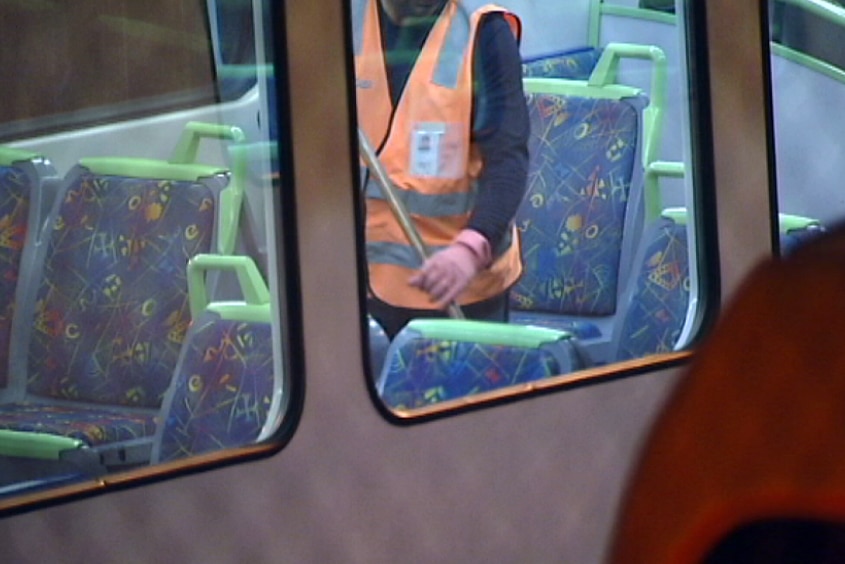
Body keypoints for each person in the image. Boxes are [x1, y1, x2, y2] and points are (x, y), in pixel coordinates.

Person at [353, 0, 529, 338]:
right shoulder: (341, 22)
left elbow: (508, 159)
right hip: (360, 283)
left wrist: (471, 248)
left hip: (460, 288)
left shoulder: (482, 29)